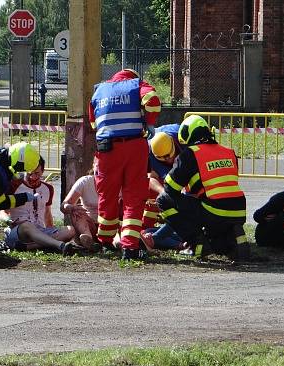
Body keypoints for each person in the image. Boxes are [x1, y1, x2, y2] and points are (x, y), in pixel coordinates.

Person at [88, 68, 161, 260]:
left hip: (106, 149)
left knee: (107, 195)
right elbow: (152, 99)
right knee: (134, 196)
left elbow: (93, 122)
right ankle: (129, 247)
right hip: (134, 146)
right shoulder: (136, 85)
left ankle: (105, 241)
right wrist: (150, 121)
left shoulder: (100, 90)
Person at [156, 115, 250, 261]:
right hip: (238, 211)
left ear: (188, 135)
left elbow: (169, 188)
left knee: (163, 200)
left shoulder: (190, 154)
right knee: (219, 245)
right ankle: (233, 239)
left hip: (212, 211)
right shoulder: (229, 152)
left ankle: (196, 243)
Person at [0, 157, 80, 254]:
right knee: (26, 225)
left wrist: (51, 228)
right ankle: (59, 245)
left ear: (42, 171)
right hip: (19, 230)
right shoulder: (14, 185)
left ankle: (28, 247)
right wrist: (8, 220)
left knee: (70, 230)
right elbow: (3, 211)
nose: (33, 177)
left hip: (40, 230)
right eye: (30, 173)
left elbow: (47, 212)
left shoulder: (48, 188)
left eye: (37, 173)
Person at [60, 162, 100, 251]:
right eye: (99, 167)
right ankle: (88, 239)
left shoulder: (115, 182)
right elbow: (64, 205)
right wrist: (71, 207)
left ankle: (116, 242)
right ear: (94, 166)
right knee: (76, 211)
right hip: (89, 224)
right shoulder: (85, 181)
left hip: (109, 223)